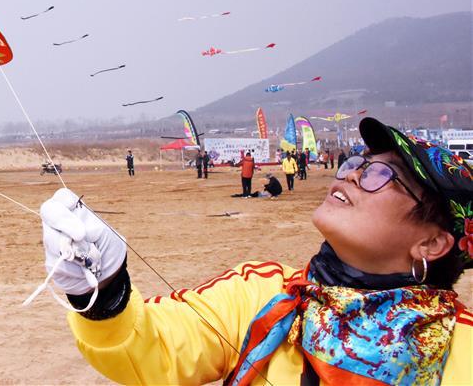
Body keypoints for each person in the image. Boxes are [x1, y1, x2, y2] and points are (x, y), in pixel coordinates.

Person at [38, 117, 473, 384]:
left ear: (432, 243)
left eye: (380, 174)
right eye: (355, 163)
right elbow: (156, 346)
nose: (352, 175)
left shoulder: (465, 348)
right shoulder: (263, 293)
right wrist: (103, 290)